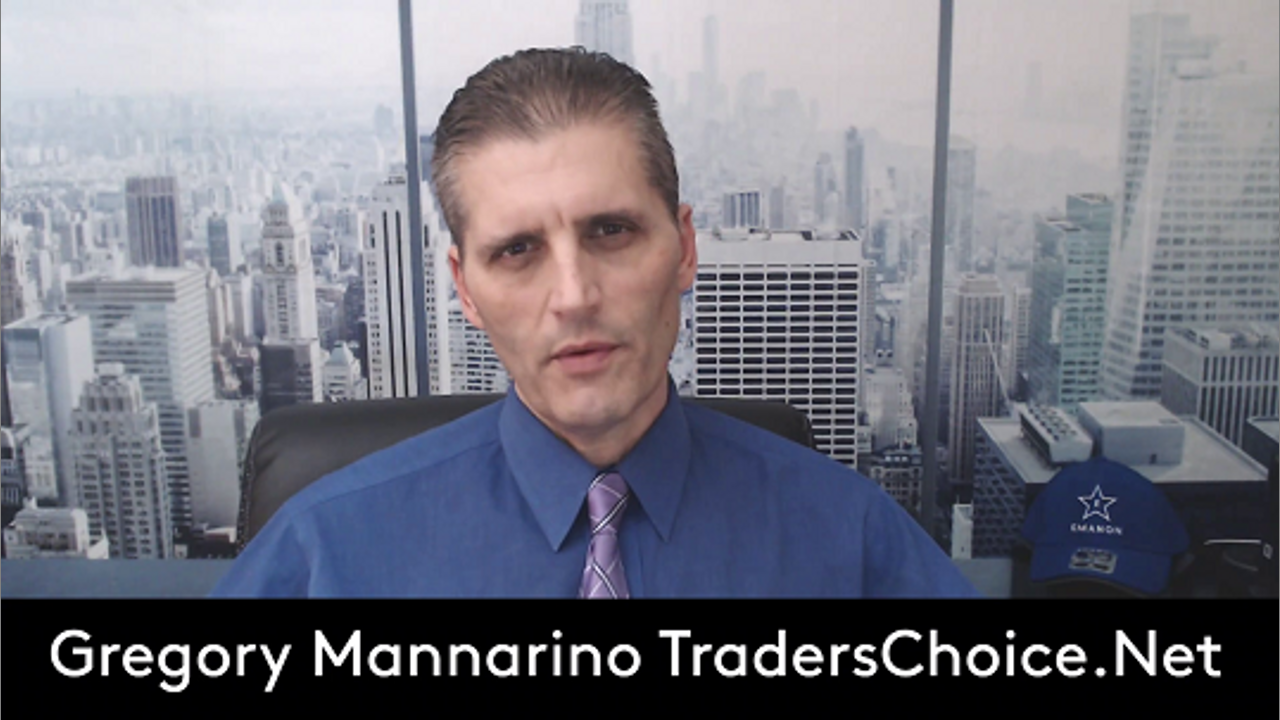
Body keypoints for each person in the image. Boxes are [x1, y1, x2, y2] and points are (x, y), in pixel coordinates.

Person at [212, 47, 979, 598]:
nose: (574, 295)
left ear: (683, 249)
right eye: (517, 250)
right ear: (466, 290)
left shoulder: (851, 543)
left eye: (611, 231)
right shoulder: (323, 555)